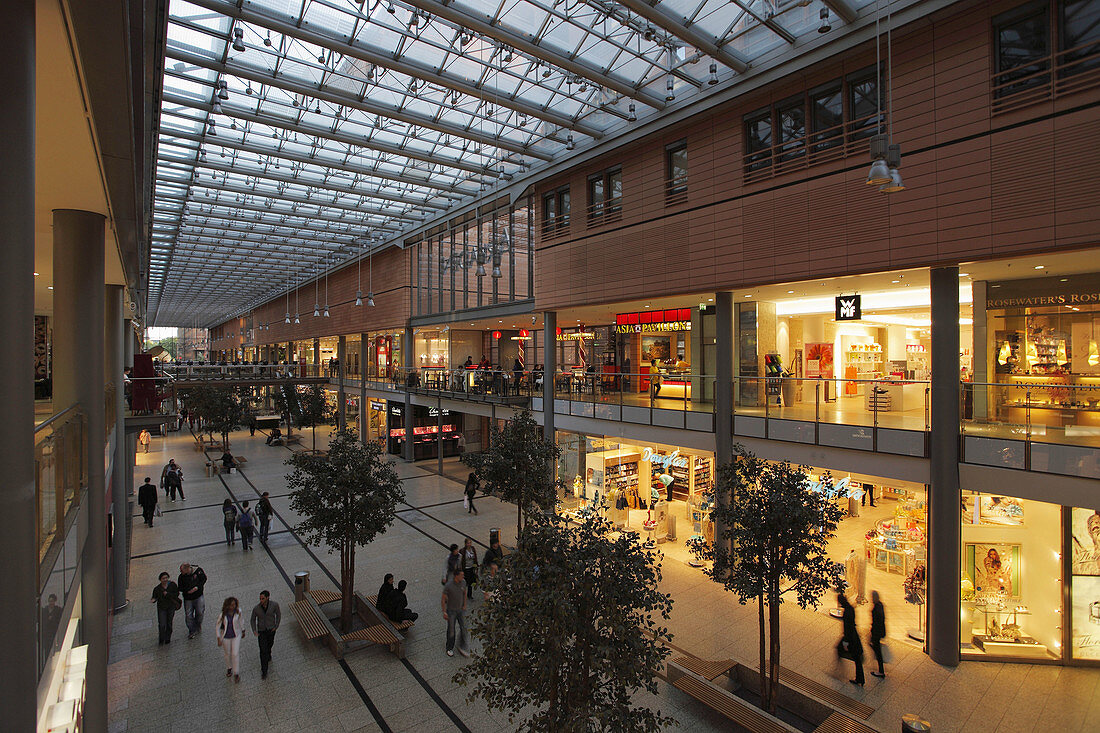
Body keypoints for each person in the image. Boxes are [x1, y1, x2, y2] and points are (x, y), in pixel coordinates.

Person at [250, 590, 281, 680]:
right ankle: (264, 670)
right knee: (263, 650)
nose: (261, 600)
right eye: (260, 598)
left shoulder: (274, 605)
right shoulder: (256, 608)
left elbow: (278, 615)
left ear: (267, 597)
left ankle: (269, 652)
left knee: (270, 644)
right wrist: (254, 630)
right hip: (261, 631)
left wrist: (276, 626)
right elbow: (252, 619)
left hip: (271, 629)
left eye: (263, 598)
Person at [837, 593, 865, 686]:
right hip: (853, 636)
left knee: (855, 657)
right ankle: (860, 679)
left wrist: (846, 641)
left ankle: (857, 678)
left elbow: (847, 627)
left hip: (850, 638)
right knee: (857, 659)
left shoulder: (847, 612)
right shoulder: (851, 608)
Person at [215, 597, 245, 682]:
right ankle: (229, 667)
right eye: (231, 605)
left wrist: (243, 630)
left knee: (235, 653)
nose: (233, 607)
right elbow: (217, 626)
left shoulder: (238, 612)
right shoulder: (223, 615)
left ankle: (236, 673)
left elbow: (241, 621)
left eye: (234, 605)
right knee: (227, 653)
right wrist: (218, 637)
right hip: (226, 636)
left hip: (236, 635)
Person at [441, 569, 469, 657]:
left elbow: (464, 593)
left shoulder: (463, 582)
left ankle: (462, 645)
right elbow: (443, 599)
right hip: (451, 611)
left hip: (461, 609)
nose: (463, 577)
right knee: (451, 630)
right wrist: (444, 612)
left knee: (464, 627)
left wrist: (464, 604)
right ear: (456, 576)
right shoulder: (449, 586)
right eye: (461, 575)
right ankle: (449, 648)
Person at [178, 563, 208, 640]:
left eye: (182, 570)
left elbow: (203, 579)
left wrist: (197, 587)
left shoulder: (198, 571)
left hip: (198, 595)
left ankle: (198, 624)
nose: (180, 572)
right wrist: (187, 590)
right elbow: (180, 587)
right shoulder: (181, 577)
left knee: (200, 611)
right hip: (188, 598)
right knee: (188, 615)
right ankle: (192, 630)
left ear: (187, 568)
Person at [151, 572, 181, 645]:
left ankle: (168, 637)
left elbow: (176, 594)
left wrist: (168, 594)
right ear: (160, 580)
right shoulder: (157, 589)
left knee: (169, 622)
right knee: (162, 624)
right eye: (163, 578)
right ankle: (161, 638)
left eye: (166, 578)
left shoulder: (172, 585)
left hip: (171, 606)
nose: (165, 580)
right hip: (162, 607)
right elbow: (154, 597)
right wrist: (153, 600)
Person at [869, 590, 887, 678]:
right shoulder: (880, 605)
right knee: (876, 648)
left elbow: (877, 622)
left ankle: (881, 671)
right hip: (879, 632)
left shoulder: (877, 608)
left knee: (877, 650)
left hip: (876, 632)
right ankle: (880, 669)